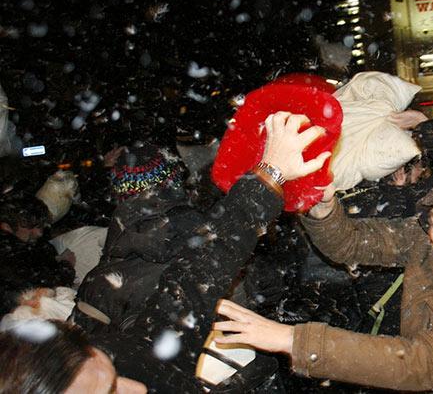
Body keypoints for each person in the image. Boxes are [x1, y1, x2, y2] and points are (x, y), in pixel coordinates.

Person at [0, 112, 331, 392]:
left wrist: (269, 174)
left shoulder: (100, 274)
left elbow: (193, 283)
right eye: (111, 391)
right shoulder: (182, 232)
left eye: (116, 373)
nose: (139, 388)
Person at [211, 158, 433, 392]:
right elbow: (352, 242)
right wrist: (324, 209)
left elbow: (426, 362)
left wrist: (294, 341)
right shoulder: (425, 238)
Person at [0, 193, 75, 316]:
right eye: (31, 227)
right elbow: (40, 287)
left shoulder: (21, 244)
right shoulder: (7, 252)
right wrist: (67, 266)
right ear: (6, 226)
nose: (38, 233)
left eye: (40, 226)